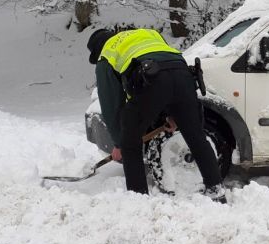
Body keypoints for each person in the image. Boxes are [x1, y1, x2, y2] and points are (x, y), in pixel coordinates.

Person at [86, 28, 224, 198]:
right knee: (196, 137)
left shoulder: (106, 55)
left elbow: (112, 105)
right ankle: (217, 192)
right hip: (184, 75)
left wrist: (119, 143)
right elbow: (166, 69)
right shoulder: (146, 34)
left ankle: (139, 198)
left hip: (153, 80)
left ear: (97, 49)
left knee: (130, 142)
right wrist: (173, 115)